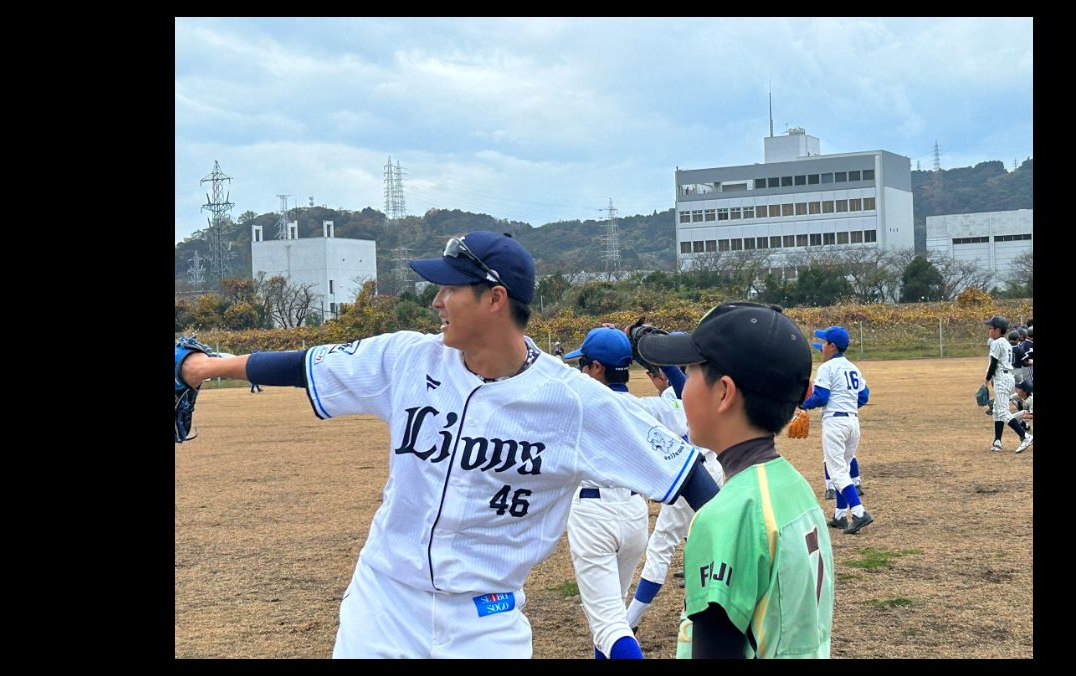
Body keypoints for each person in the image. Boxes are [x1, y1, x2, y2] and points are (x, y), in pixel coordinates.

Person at [172, 231, 720, 658]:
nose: (436, 301)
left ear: (494, 300)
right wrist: (201, 368)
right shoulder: (408, 358)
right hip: (383, 599)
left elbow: (687, 473)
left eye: (450, 288)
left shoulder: (573, 401)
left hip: (486, 621)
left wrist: (746, 552)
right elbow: (306, 363)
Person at [634, 302, 834, 658]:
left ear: (724, 393)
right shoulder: (792, 485)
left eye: (691, 371)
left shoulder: (728, 515)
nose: (682, 389)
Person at [561, 326, 690, 659]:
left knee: (609, 627)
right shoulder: (648, 409)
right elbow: (687, 401)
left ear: (598, 368)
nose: (581, 370)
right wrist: (664, 357)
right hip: (634, 517)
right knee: (612, 617)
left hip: (594, 517)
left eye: (584, 364)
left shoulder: (579, 409)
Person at [627, 345, 727, 633]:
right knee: (702, 539)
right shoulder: (704, 390)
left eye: (653, 372)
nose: (651, 378)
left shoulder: (672, 397)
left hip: (688, 475)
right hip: (713, 469)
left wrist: (645, 351)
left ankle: (630, 620)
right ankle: (698, 602)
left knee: (661, 547)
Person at [802, 326, 874, 535]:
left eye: (824, 343)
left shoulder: (827, 368)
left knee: (836, 471)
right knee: (843, 467)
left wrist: (803, 405)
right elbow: (864, 396)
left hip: (835, 423)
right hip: (852, 422)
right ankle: (840, 516)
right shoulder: (852, 368)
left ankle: (859, 512)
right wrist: (847, 405)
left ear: (832, 346)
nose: (822, 347)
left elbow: (821, 397)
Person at [982, 316, 1030, 453]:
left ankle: (1025, 436)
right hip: (1004, 377)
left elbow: (993, 364)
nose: (989, 330)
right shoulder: (1002, 341)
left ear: (997, 330)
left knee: (1002, 411)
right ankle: (997, 441)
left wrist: (986, 380)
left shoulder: (998, 343)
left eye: (991, 328)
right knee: (997, 410)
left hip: (1002, 377)